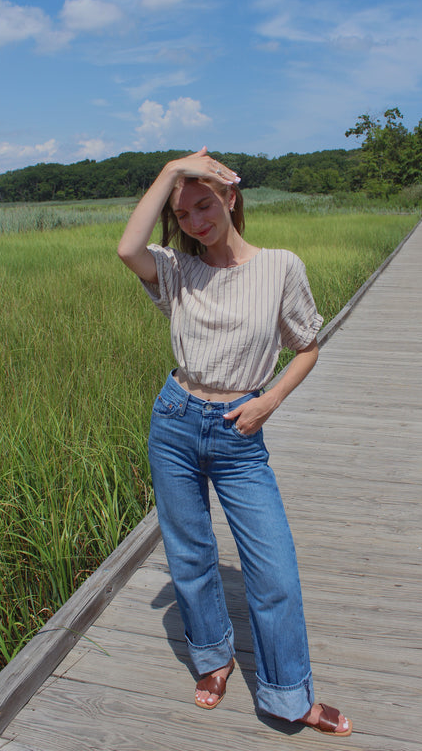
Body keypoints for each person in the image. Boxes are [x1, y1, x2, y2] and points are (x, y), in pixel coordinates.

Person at [117, 147, 352, 737]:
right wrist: (172, 169)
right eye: (185, 213)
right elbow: (127, 248)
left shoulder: (280, 266)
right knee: (190, 553)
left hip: (239, 428)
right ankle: (213, 658)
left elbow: (307, 346)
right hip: (174, 418)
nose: (196, 221)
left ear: (230, 197)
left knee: (273, 569)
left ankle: (288, 694)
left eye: (205, 204)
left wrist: (267, 401)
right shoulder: (177, 270)